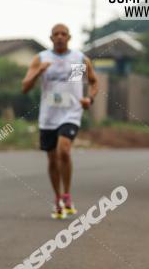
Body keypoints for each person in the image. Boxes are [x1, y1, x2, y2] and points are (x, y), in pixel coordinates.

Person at [21, 24, 98, 219]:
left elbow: (93, 81)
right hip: (48, 116)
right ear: (51, 38)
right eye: (56, 34)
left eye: (64, 34)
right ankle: (57, 199)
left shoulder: (79, 59)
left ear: (69, 37)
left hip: (71, 113)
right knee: (52, 159)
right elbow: (25, 87)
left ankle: (67, 194)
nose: (60, 37)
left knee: (64, 150)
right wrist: (39, 72)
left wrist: (90, 99)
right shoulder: (42, 59)